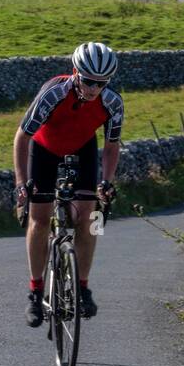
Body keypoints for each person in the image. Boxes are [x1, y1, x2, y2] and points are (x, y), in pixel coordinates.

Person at [14, 41, 122, 328]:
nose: (93, 89)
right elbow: (22, 138)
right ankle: (35, 292)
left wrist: (106, 182)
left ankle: (83, 288)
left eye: (101, 83)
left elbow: (112, 147)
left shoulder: (112, 103)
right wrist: (21, 184)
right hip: (44, 149)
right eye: (88, 81)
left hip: (82, 148)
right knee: (39, 218)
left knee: (88, 218)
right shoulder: (53, 94)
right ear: (76, 72)